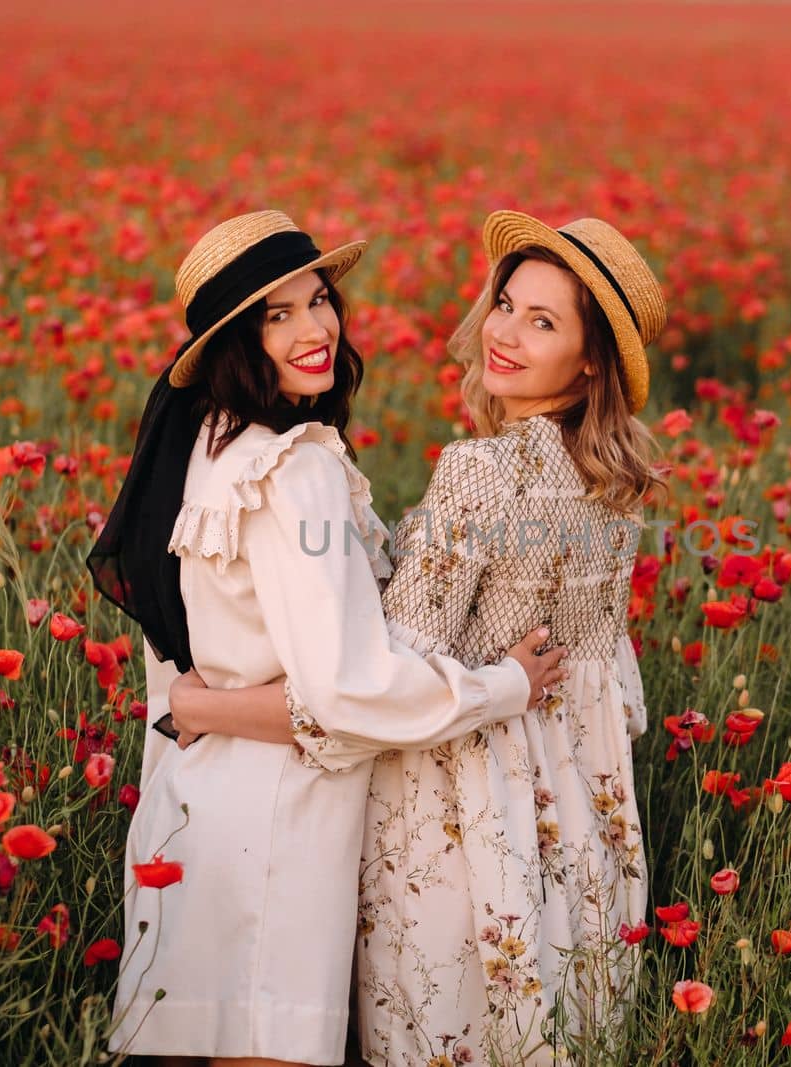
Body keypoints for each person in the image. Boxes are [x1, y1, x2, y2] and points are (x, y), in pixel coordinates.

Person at [172, 210, 666, 1065]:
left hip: (463, 808)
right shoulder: (617, 484)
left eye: (541, 321)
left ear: (589, 360)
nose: (503, 333)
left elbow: (370, 681)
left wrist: (205, 704)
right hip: (586, 812)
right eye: (506, 304)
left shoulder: (477, 473)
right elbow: (608, 684)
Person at [87, 209, 566, 1066]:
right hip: (281, 830)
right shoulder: (295, 465)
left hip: (191, 814)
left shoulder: (206, 446)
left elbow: (178, 655)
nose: (314, 330)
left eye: (318, 300)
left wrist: (197, 701)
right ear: (237, 338)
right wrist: (506, 686)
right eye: (277, 315)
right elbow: (347, 691)